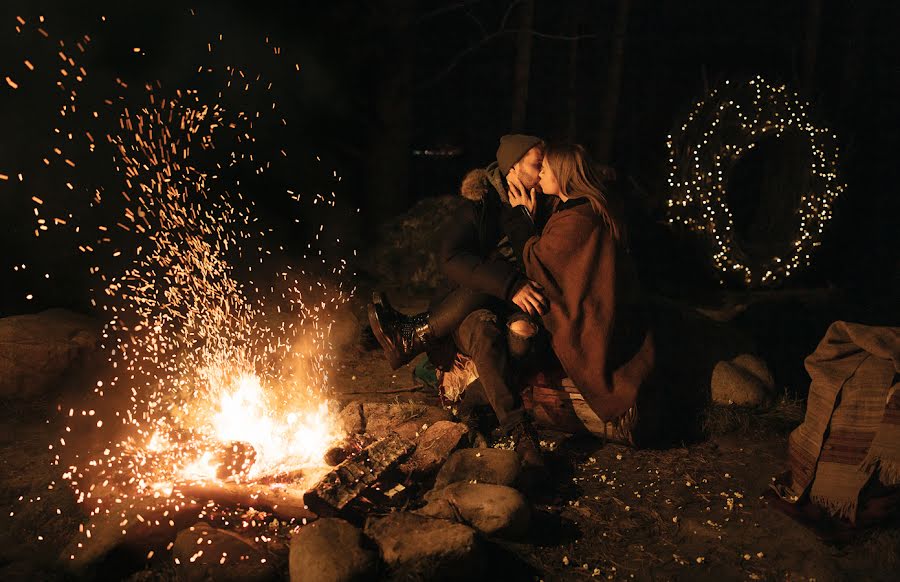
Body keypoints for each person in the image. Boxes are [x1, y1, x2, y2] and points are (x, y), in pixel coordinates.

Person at [368, 134, 552, 465]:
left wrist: (527, 222)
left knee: (520, 341)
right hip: (471, 306)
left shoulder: (545, 205)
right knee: (484, 330)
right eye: (537, 165)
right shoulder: (480, 204)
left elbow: (538, 265)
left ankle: (423, 342)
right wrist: (509, 284)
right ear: (513, 167)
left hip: (517, 307)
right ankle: (519, 430)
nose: (543, 172)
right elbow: (451, 258)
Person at [502, 143, 657, 442]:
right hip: (605, 309)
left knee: (521, 330)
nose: (540, 175)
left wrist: (521, 218)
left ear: (562, 174)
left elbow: (538, 260)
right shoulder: (585, 207)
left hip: (591, 316)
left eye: (545, 169)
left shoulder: (577, 218)